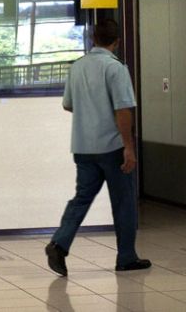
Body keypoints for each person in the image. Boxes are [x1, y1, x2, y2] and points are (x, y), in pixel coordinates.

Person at [45, 18, 151, 276]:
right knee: (124, 202)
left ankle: (59, 243)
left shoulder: (77, 66)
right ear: (117, 41)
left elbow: (68, 104)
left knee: (81, 198)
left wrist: (90, 111)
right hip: (112, 147)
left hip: (83, 146)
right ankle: (126, 257)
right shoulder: (116, 68)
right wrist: (128, 147)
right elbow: (123, 110)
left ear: (93, 39)